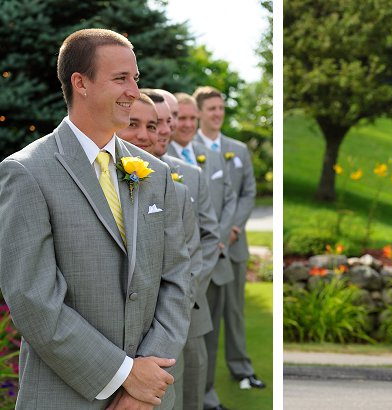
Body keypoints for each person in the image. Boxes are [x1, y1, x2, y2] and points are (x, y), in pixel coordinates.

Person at [0, 29, 191, 409]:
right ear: (80, 83)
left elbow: (178, 279)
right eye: (121, 78)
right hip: (65, 396)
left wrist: (146, 382)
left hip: (150, 398)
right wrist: (124, 376)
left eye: (135, 79)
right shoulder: (26, 172)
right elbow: (32, 299)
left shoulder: (155, 174)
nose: (134, 92)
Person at [146, 88, 222, 410]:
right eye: (158, 122)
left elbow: (208, 237)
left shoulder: (190, 175)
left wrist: (185, 291)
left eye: (171, 119)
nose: (167, 128)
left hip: (189, 311)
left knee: (191, 392)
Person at [193, 86, 264, 391]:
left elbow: (248, 193)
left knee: (234, 312)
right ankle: (201, 378)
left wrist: (233, 228)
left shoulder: (239, 150)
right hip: (203, 249)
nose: (218, 113)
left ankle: (241, 368)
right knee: (205, 317)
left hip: (234, 246)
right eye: (212, 109)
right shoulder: (185, 148)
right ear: (199, 113)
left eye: (221, 108)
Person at [169, 92, 236, 410]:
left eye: (190, 118)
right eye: (178, 118)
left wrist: (221, 237)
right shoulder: (147, 158)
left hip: (207, 267)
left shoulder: (206, 157)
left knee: (202, 346)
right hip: (173, 278)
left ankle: (208, 397)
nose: (184, 124)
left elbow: (223, 205)